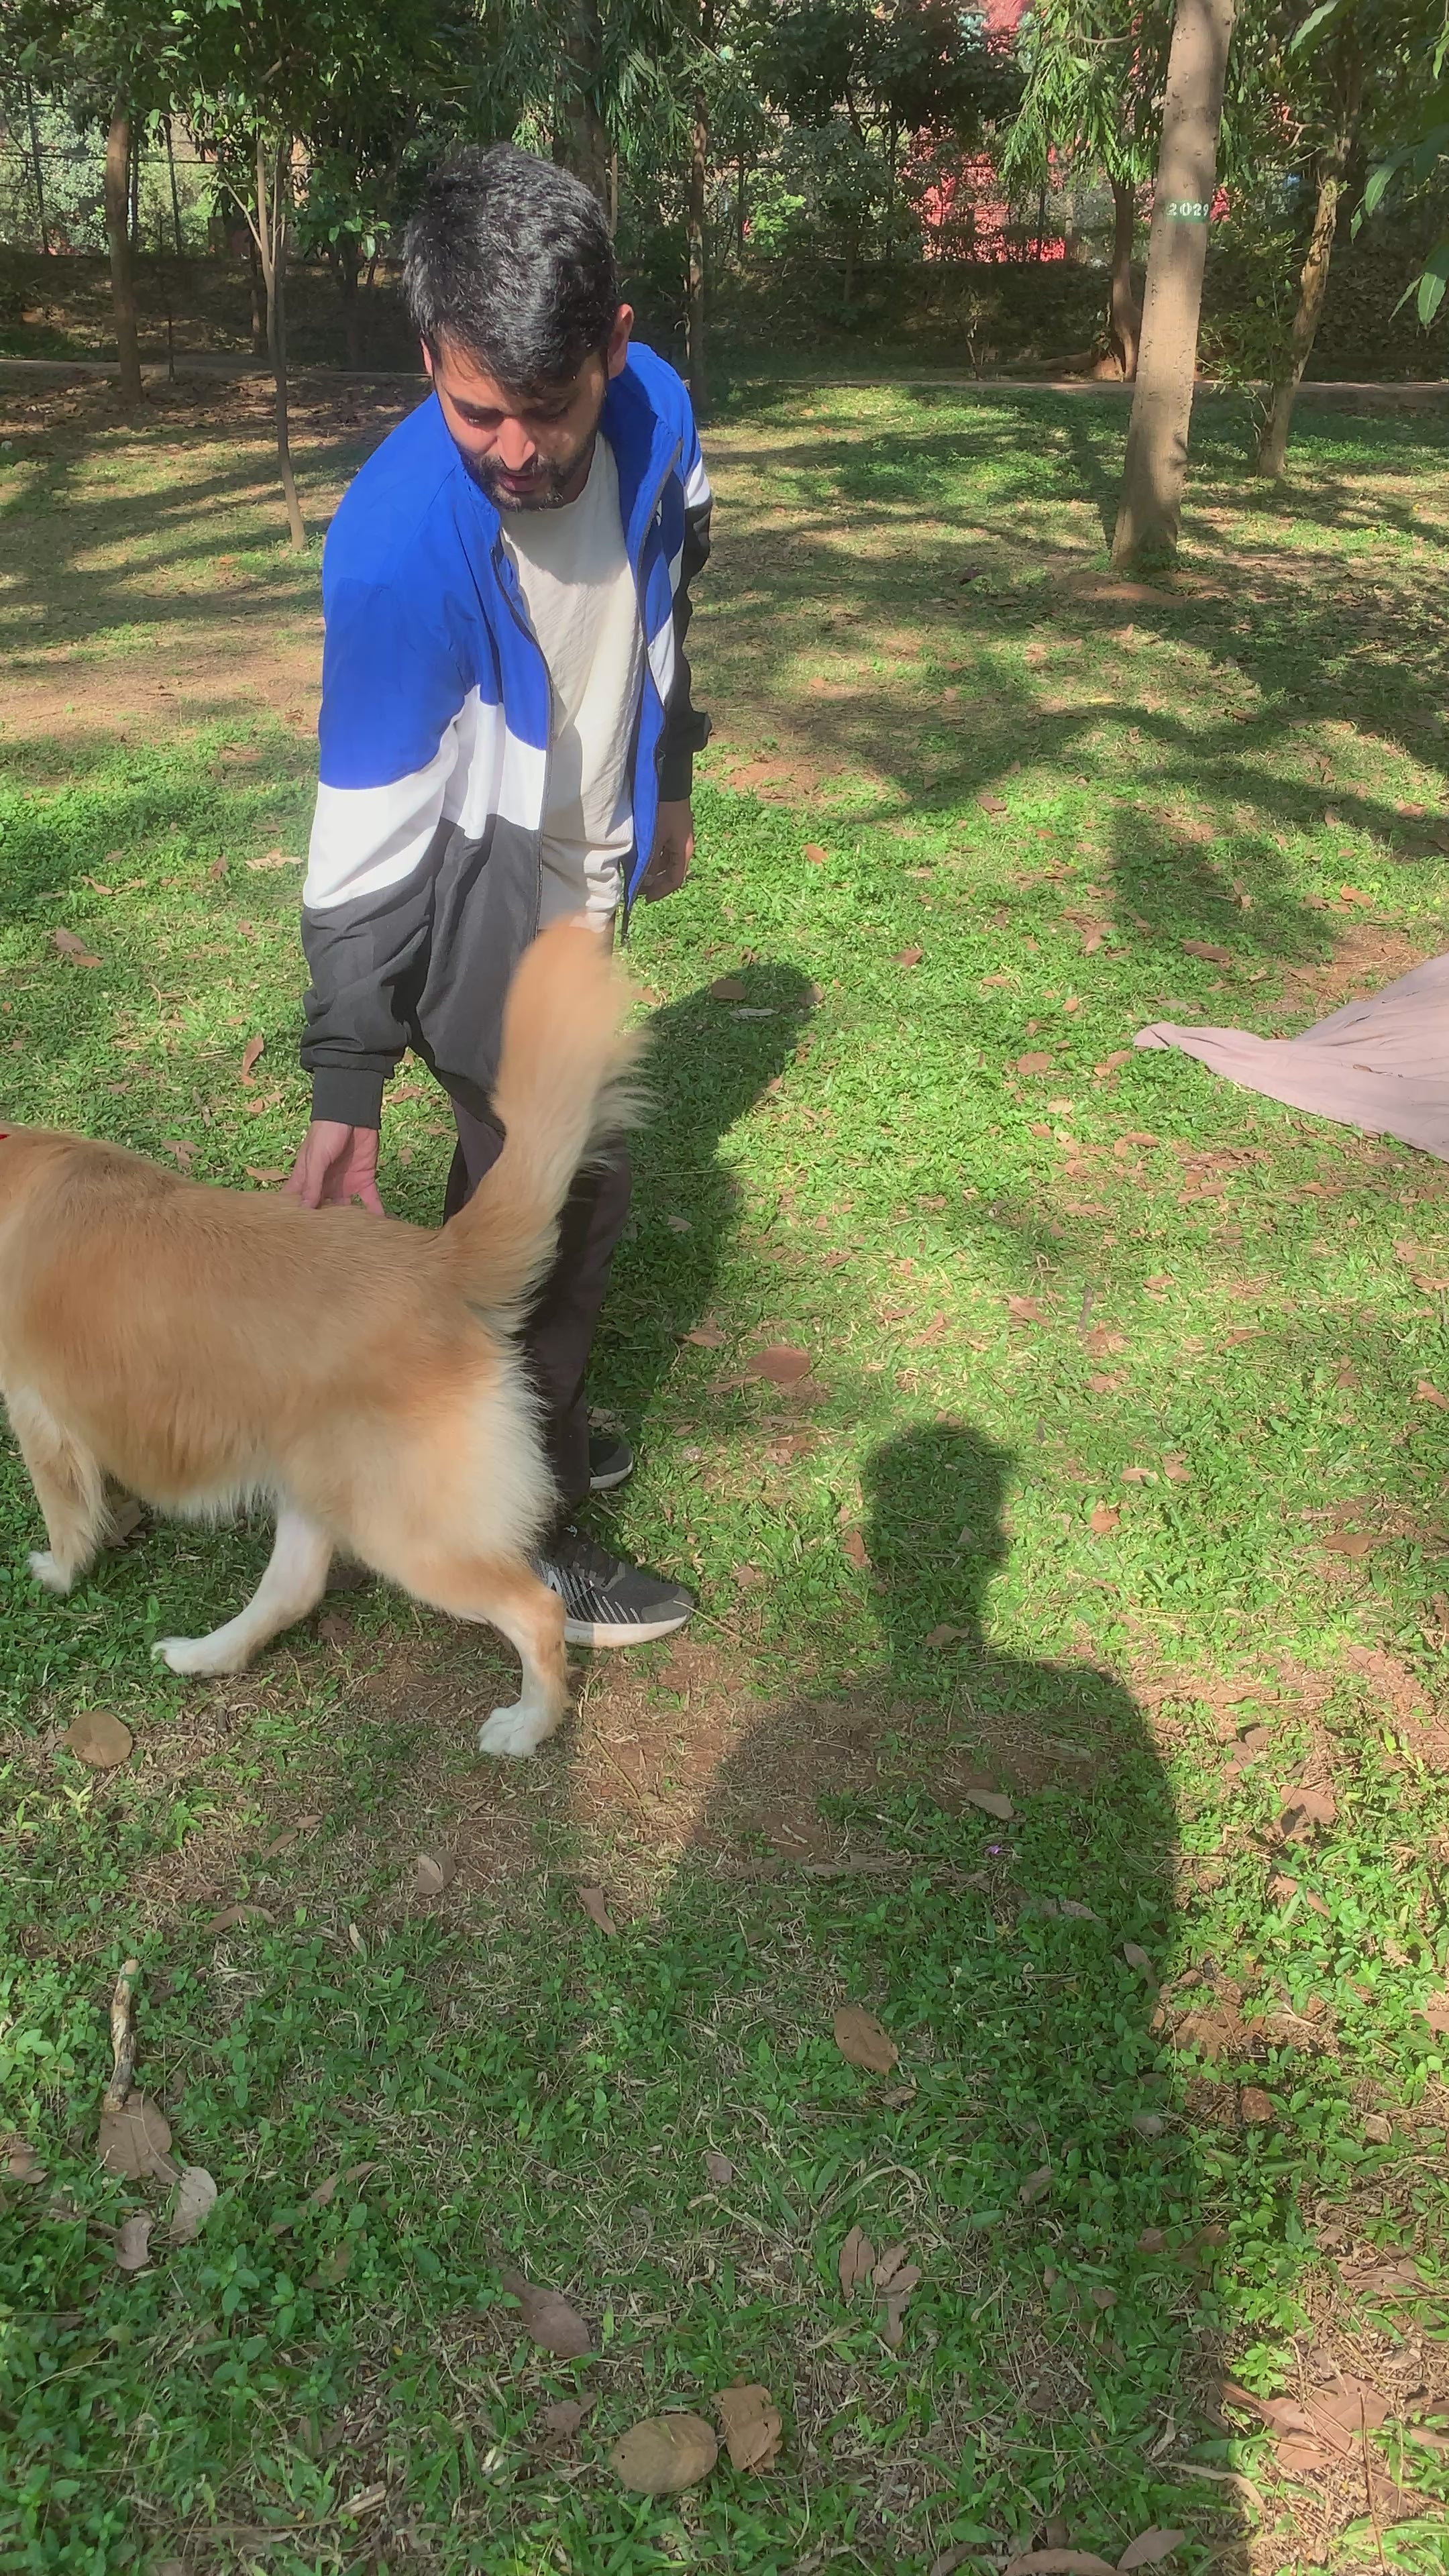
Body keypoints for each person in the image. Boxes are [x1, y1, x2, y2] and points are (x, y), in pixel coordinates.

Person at [282, 144, 710, 1649]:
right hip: (481, 922)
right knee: (560, 1197)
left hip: (591, 876)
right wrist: (346, 1077)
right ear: (428, 361)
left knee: (542, 1200)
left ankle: (507, 1425)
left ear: (617, 343)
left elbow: (671, 580)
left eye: (552, 405)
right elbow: (367, 837)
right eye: (479, 410)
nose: (518, 449)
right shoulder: (399, 552)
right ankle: (518, 1522)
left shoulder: (662, 418)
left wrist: (667, 780)